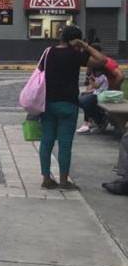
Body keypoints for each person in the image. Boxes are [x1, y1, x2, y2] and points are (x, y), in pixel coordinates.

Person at [39, 25, 105, 190]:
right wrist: (85, 46)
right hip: (68, 104)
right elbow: (102, 61)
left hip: (47, 103)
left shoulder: (48, 52)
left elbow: (39, 72)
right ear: (76, 40)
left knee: (46, 141)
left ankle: (46, 179)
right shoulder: (76, 55)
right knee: (65, 144)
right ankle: (63, 181)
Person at [76, 65, 109, 134]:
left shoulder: (103, 77)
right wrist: (86, 91)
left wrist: (90, 79)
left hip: (101, 95)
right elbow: (90, 88)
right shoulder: (97, 78)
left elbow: (96, 86)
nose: (97, 73)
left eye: (98, 71)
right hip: (95, 94)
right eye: (96, 71)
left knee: (86, 102)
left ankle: (87, 122)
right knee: (81, 100)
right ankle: (89, 121)